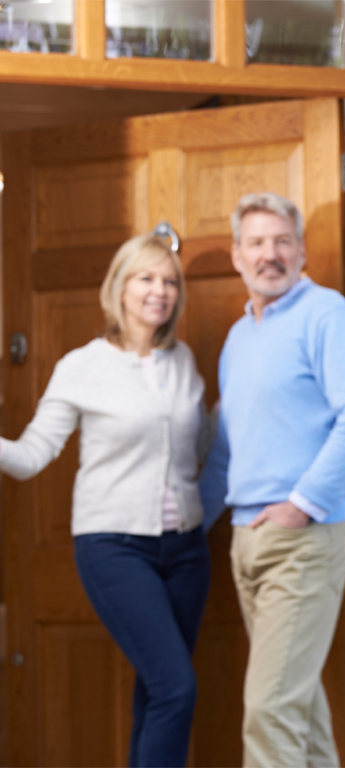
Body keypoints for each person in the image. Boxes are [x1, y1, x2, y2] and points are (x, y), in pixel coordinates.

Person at [0, 234, 209, 767]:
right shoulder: (81, 366)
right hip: (115, 548)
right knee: (176, 688)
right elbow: (29, 455)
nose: (159, 290)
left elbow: (199, 447)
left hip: (188, 551)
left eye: (169, 281)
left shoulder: (182, 360)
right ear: (119, 287)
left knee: (157, 692)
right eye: (146, 278)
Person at [199, 191, 345, 767]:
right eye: (256, 243)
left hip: (303, 539)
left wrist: (300, 505)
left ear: (302, 250)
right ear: (237, 256)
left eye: (282, 241)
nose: (270, 254)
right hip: (246, 539)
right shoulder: (239, 338)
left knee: (271, 711)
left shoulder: (327, 315)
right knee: (296, 712)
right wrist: (190, 525)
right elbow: (227, 447)